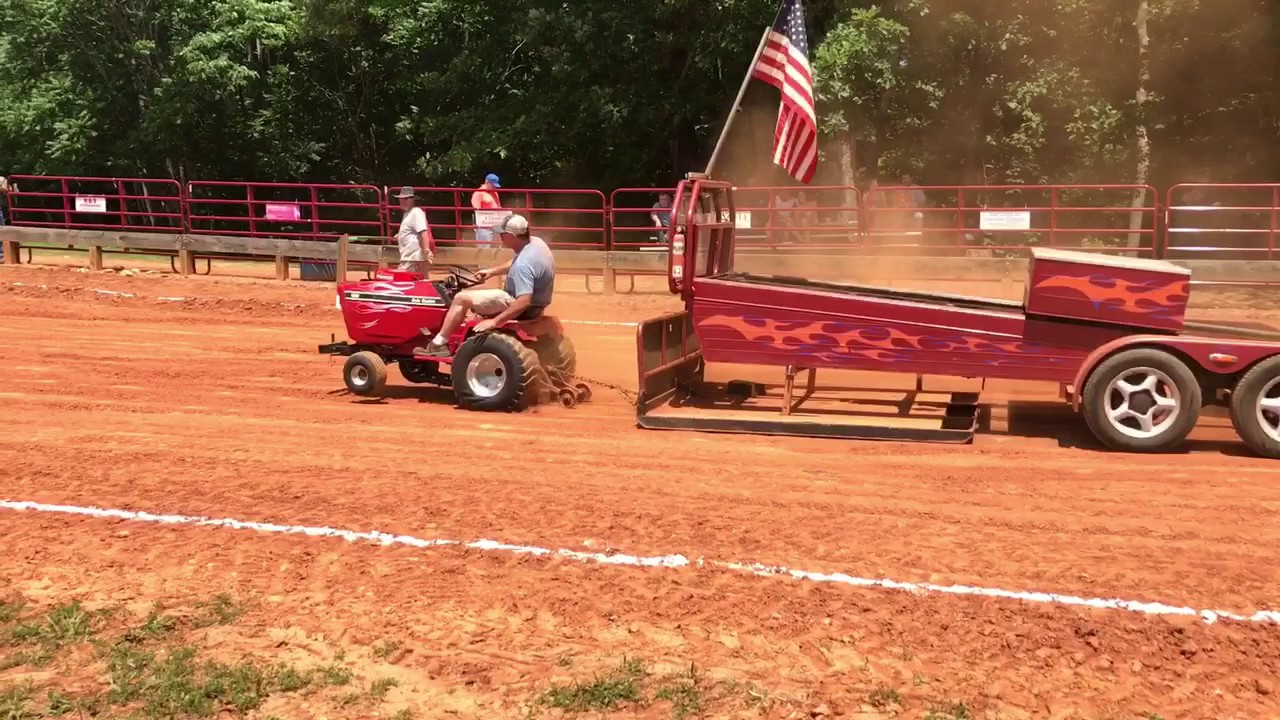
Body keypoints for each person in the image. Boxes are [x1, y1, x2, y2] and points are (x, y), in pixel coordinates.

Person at [416, 213, 554, 358]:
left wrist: (495, 321)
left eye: (503, 234)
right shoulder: (536, 244)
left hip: (520, 305)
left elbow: (524, 301)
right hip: (538, 305)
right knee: (479, 295)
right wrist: (491, 272)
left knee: (461, 298)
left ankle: (439, 343)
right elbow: (516, 262)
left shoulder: (523, 265)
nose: (500, 237)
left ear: (513, 236)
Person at [393, 186, 433, 274]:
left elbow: (423, 232)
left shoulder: (416, 212)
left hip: (414, 258)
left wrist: (426, 251)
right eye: (401, 199)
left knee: (406, 282)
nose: (402, 201)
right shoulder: (408, 214)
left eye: (405, 199)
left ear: (412, 200)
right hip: (409, 258)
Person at [470, 173, 503, 248]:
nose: (494, 187)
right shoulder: (478, 193)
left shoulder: (494, 193)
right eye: (493, 185)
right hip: (484, 226)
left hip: (495, 224)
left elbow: (498, 206)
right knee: (484, 247)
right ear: (487, 182)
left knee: (496, 246)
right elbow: (476, 210)